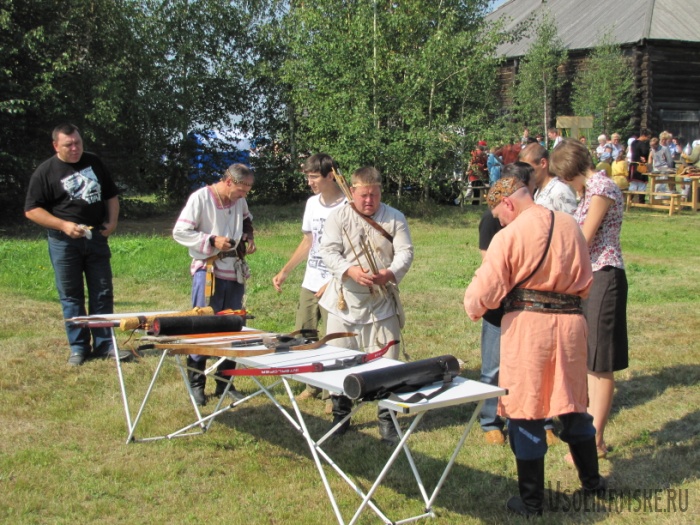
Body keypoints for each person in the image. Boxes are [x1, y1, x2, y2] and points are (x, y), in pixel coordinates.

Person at [464, 176, 605, 517]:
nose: (501, 222)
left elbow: (482, 293)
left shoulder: (509, 235)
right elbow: (586, 279)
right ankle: (593, 484)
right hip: (571, 326)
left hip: (529, 330)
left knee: (525, 410)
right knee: (573, 404)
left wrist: (473, 304)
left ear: (508, 203)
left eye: (500, 215)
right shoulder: (571, 225)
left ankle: (532, 503)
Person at [319, 166, 414, 444]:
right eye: (364, 195)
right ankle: (341, 415)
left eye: (374, 194)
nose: (369, 200)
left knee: (388, 362)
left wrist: (389, 273)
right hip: (345, 301)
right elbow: (328, 251)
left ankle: (387, 419)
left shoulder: (395, 217)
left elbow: (405, 252)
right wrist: (350, 270)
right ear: (353, 191)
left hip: (381, 300)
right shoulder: (339, 217)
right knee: (339, 359)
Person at [550, 138, 629, 462]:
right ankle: (593, 438)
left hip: (605, 276)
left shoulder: (602, 188)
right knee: (590, 360)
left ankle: (595, 441)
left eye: (563, 176)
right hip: (592, 278)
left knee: (601, 363)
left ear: (569, 171)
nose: (565, 183)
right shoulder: (590, 190)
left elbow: (585, 236)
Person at [24, 123, 124, 366]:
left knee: (102, 292)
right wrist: (63, 225)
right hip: (64, 242)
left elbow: (111, 195)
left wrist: (111, 223)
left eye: (78, 143)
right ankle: (79, 348)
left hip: (96, 237)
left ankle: (105, 344)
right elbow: (32, 210)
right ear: (56, 145)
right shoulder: (45, 171)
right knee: (71, 295)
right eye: (68, 144)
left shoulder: (94, 162)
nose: (75, 148)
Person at [173, 163, 256, 405]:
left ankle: (225, 382)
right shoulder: (200, 198)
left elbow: (246, 218)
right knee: (203, 325)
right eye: (242, 190)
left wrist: (249, 236)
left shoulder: (239, 199)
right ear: (229, 181)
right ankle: (196, 384)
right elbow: (180, 231)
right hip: (209, 270)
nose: (244, 195)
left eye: (247, 191)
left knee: (233, 325)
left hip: (234, 270)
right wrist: (211, 240)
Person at [272, 153, 346, 410]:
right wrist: (285, 271)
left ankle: (332, 394)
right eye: (308, 177)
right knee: (305, 332)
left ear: (331, 176)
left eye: (314, 177)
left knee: (333, 339)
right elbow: (308, 241)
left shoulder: (347, 205)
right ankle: (311, 384)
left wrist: (333, 281)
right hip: (311, 280)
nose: (309, 182)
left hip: (336, 283)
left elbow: (352, 249)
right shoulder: (312, 204)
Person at [476, 162, 535, 445]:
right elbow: (489, 266)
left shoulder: (536, 220)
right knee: (493, 367)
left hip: (527, 308)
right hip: (499, 307)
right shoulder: (492, 220)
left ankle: (525, 417)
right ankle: (490, 421)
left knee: (525, 367)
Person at [519, 143, 577, 214]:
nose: (526, 173)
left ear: (543, 163)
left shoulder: (560, 192)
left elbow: (572, 219)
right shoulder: (538, 191)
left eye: (529, 168)